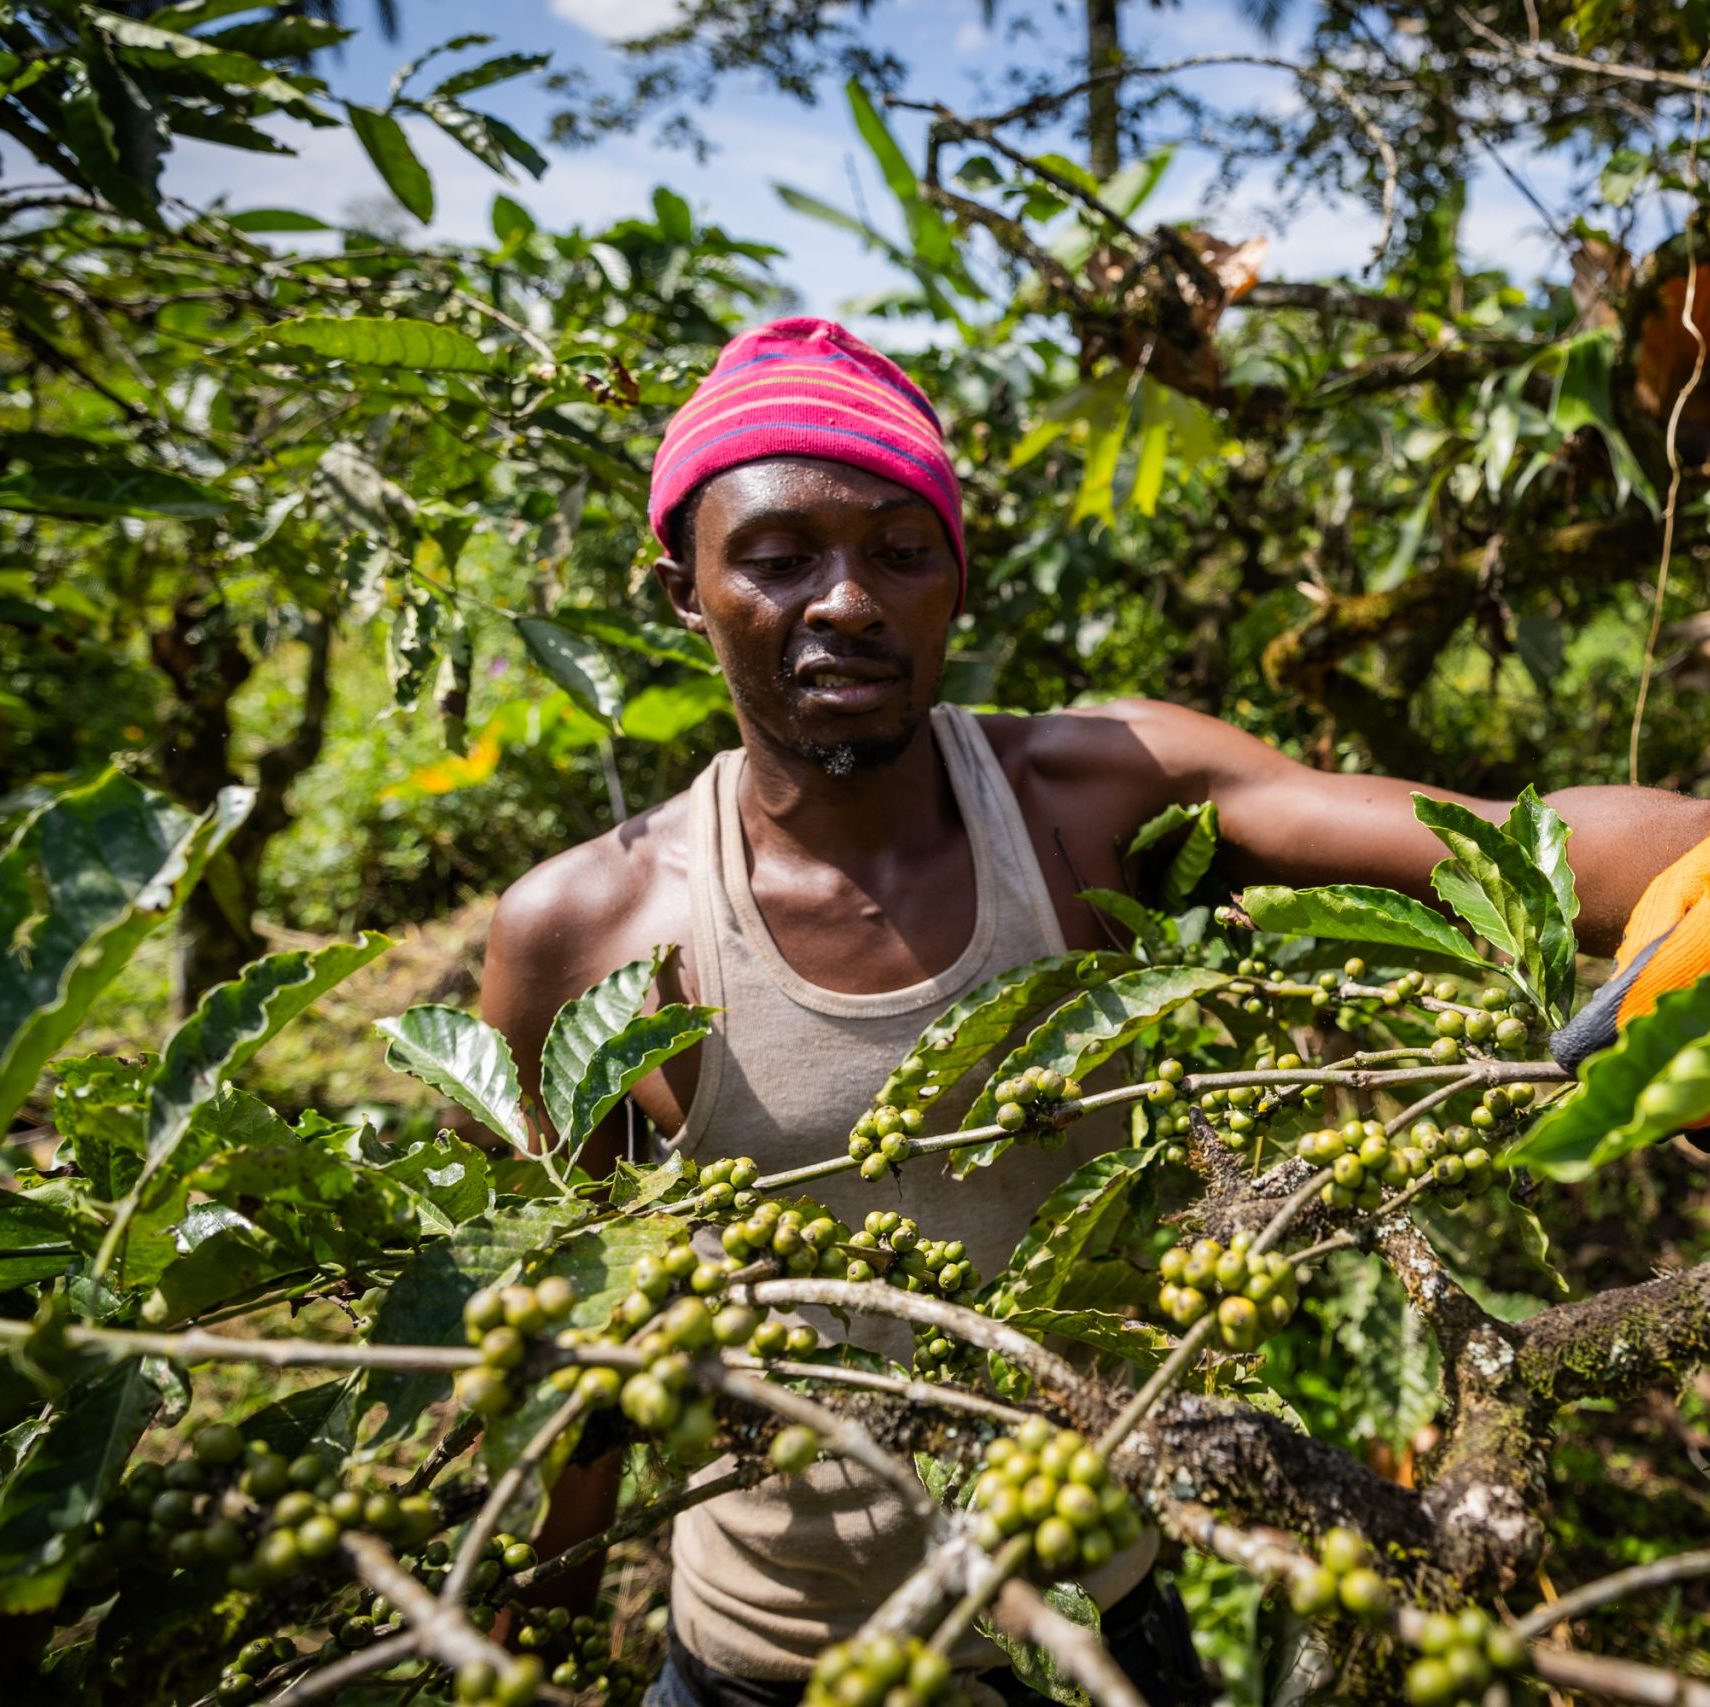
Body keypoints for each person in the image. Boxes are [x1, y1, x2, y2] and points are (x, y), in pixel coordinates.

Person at [480, 317, 1710, 1706]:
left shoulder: (1089, 796)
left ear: (956, 580)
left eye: (900, 550)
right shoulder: (581, 932)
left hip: (1094, 1596)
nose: (845, 602)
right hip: (771, 1644)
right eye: (776, 559)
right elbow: (569, 1306)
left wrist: (1695, 871)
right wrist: (547, 1582)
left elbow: (1500, 836)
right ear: (682, 590)